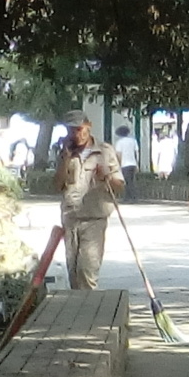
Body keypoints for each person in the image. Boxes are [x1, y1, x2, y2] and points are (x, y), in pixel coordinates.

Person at [56, 112, 124, 289]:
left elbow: (119, 186)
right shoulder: (65, 151)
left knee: (87, 271)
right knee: (73, 273)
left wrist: (106, 177)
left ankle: (89, 305)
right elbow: (57, 185)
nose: (76, 134)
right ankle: (79, 304)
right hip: (71, 218)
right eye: (71, 130)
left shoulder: (105, 151)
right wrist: (65, 160)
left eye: (79, 129)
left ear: (89, 126)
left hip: (95, 218)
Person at [113, 126, 140, 202]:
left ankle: (131, 197)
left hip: (124, 164)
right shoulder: (133, 141)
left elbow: (119, 154)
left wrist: (119, 164)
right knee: (131, 180)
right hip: (133, 163)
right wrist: (137, 163)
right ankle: (130, 197)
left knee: (127, 182)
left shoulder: (119, 142)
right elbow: (136, 153)